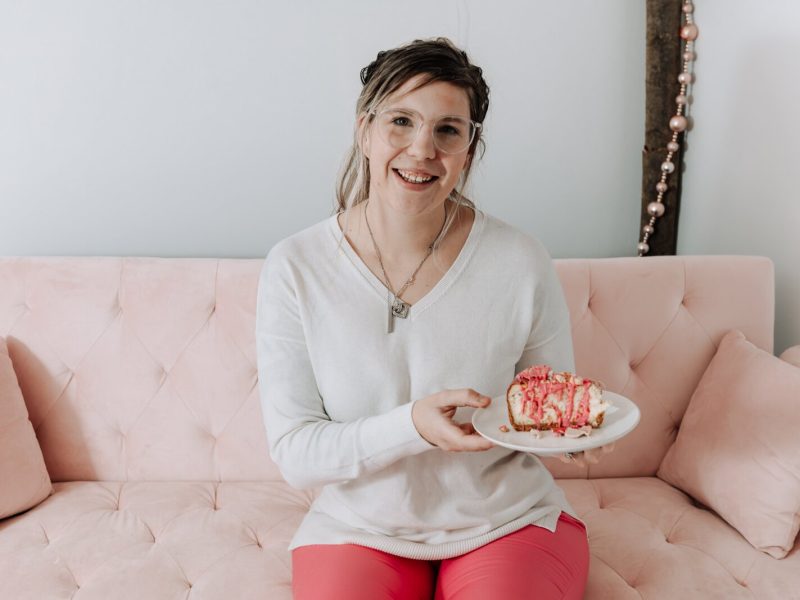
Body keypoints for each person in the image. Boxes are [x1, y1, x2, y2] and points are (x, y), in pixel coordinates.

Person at [256, 36, 613, 600]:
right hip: (357, 529)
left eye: (448, 130)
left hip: (508, 521)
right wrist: (413, 426)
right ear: (365, 129)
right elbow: (297, 455)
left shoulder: (520, 260)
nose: (422, 149)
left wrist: (571, 437)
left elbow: (542, 401)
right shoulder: (295, 266)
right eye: (401, 120)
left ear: (469, 149)